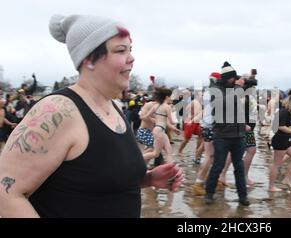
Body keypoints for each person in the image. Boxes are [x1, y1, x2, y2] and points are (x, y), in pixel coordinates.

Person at [0, 14, 182, 218]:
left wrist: (147, 180)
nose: (131, 58)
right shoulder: (58, 110)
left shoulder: (112, 108)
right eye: (121, 50)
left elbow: (93, 179)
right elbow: (5, 194)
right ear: (88, 59)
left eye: (130, 50)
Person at [204, 62, 249, 206]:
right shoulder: (215, 88)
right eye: (233, 78)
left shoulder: (235, 88)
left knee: (239, 167)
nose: (234, 80)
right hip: (222, 135)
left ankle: (243, 196)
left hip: (238, 135)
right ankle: (209, 194)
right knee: (218, 165)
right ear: (227, 78)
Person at [268, 94, 291, 192]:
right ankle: (271, 187)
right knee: (276, 164)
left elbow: (288, 125)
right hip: (279, 139)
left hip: (286, 140)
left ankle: (287, 179)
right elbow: (281, 127)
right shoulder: (283, 112)